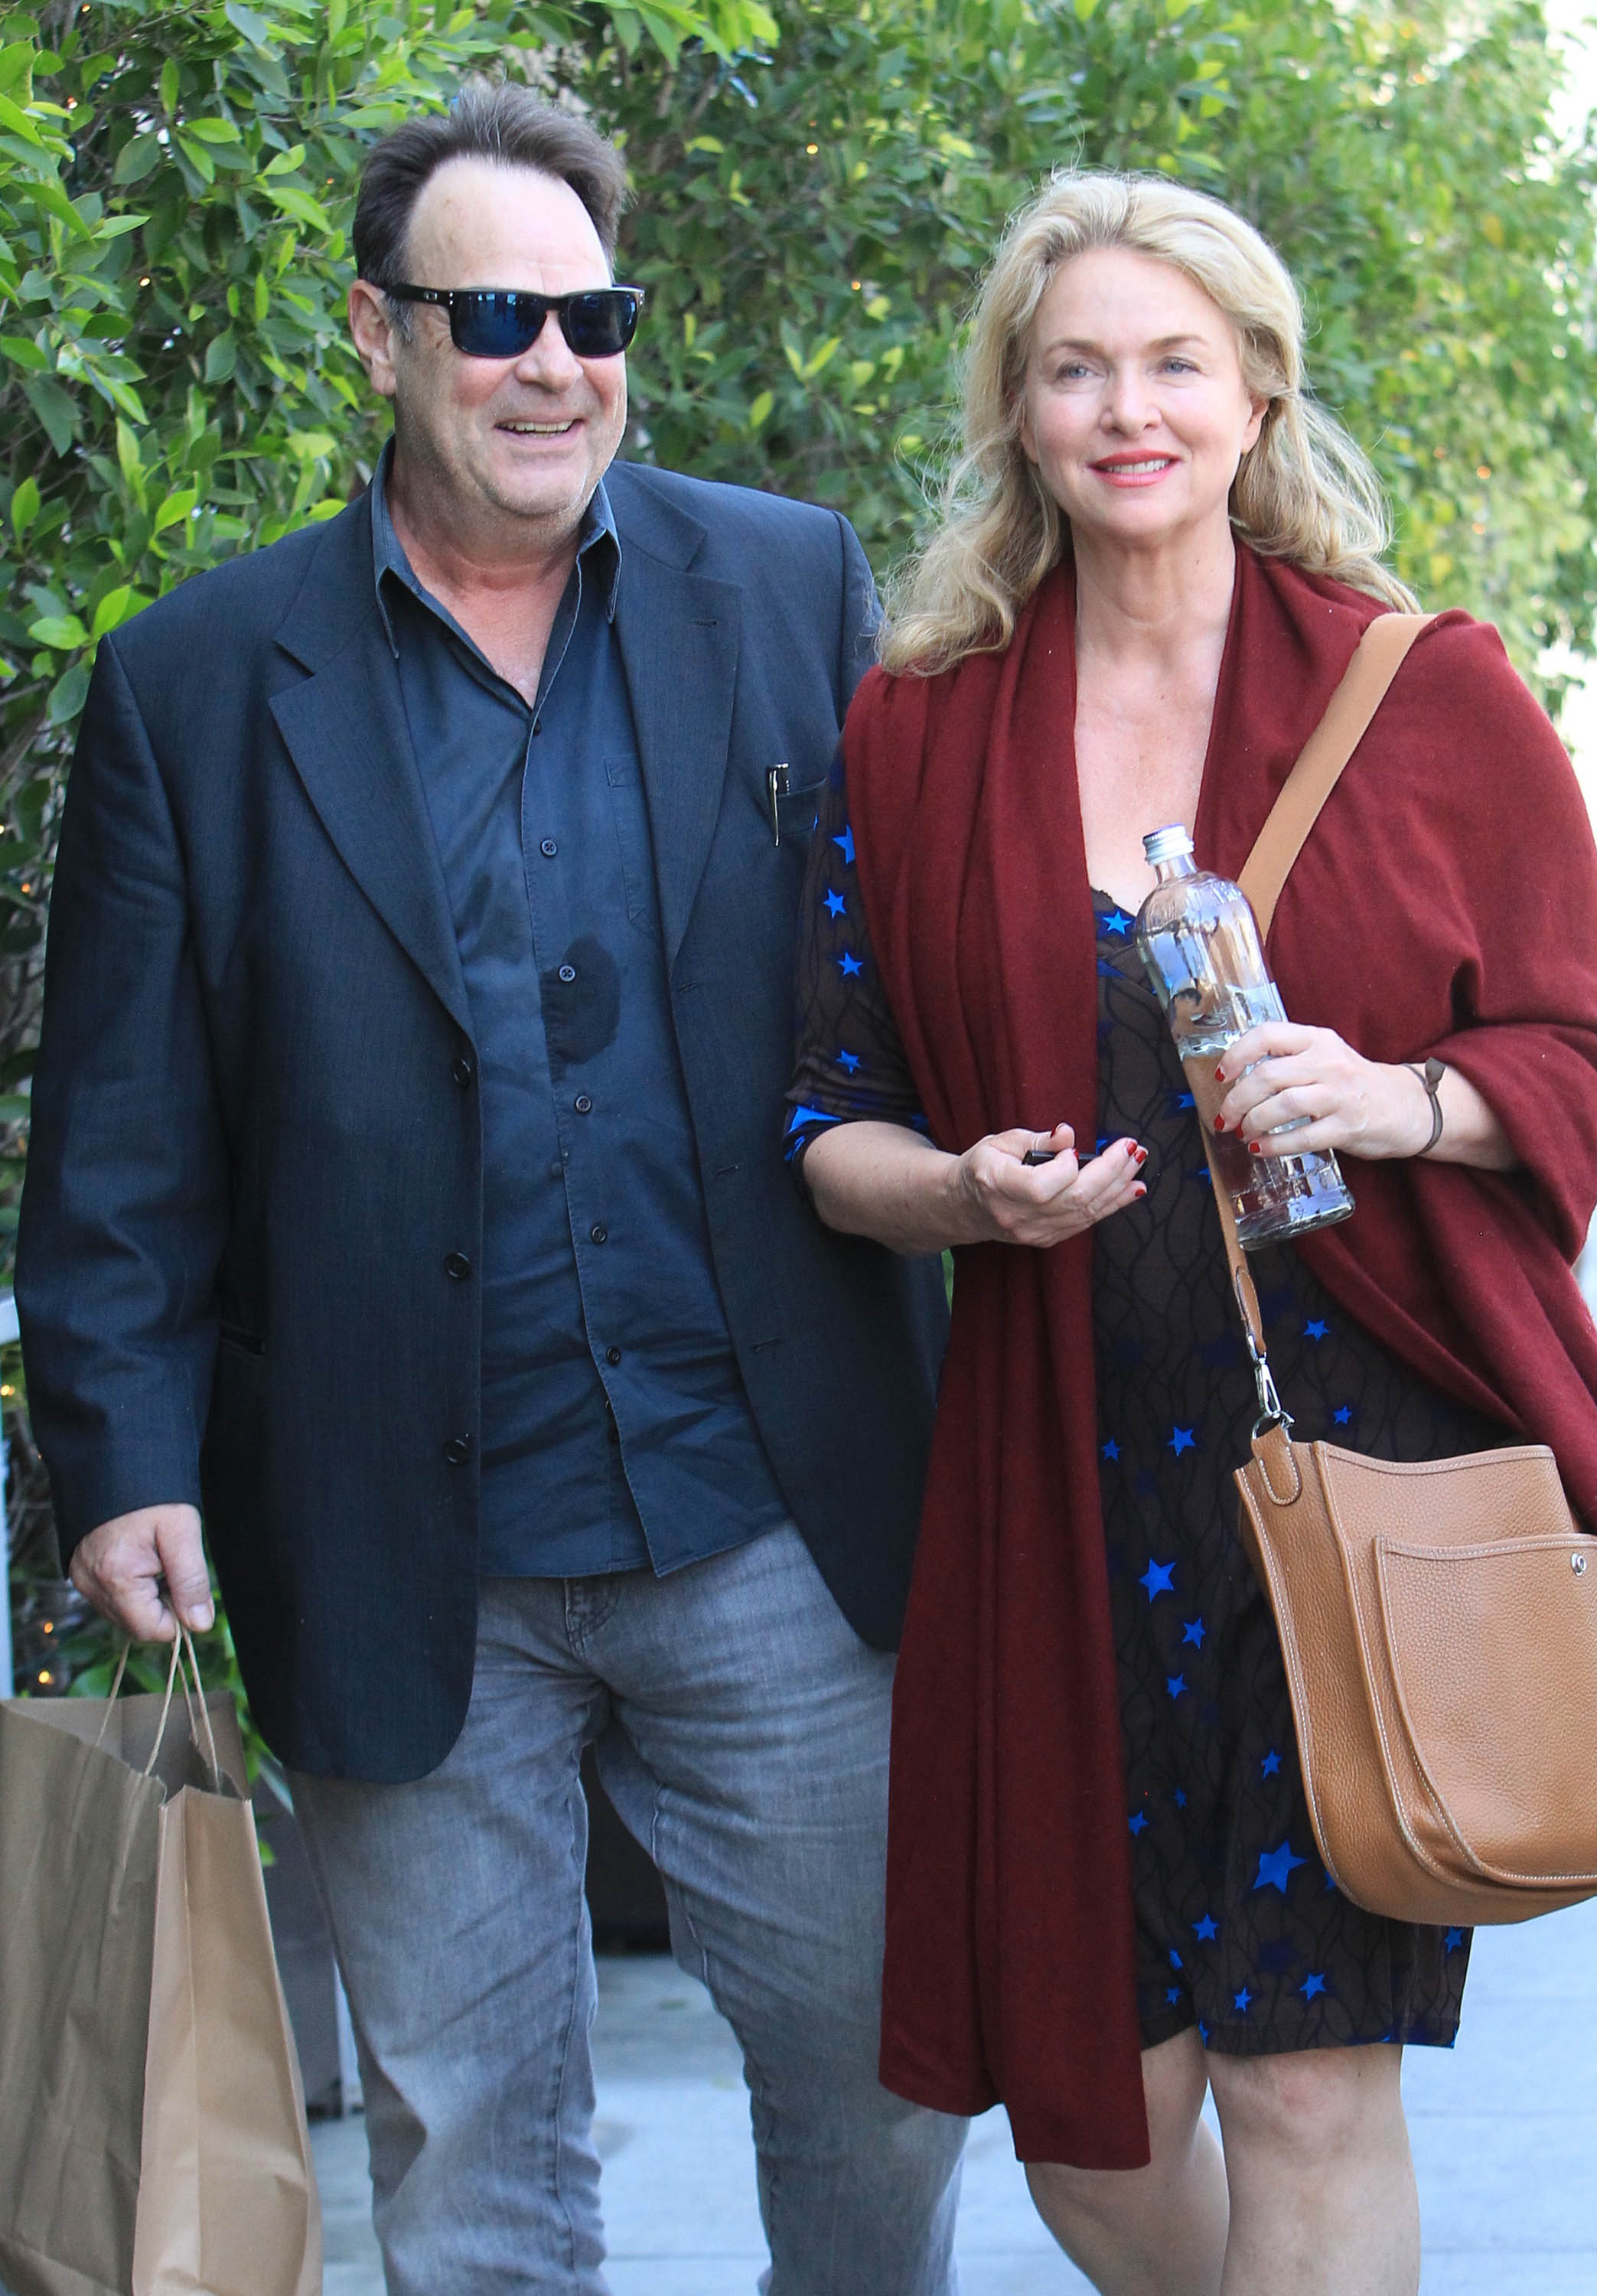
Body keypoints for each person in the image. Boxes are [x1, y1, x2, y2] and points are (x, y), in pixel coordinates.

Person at [17, 85, 965, 2296]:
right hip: (399, 1537)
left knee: (882, 2093)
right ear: (375, 333)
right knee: (474, 2174)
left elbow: (916, 969)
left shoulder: (784, 588)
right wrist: (121, 1458)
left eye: (591, 310)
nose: (553, 361)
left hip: (775, 1518)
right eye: (493, 314)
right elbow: (125, 1138)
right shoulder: (192, 684)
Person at [786, 171, 1597, 2296]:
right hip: (1050, 1482)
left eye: (1171, 362)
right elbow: (823, 1121)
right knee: (1087, 2130)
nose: (1125, 409)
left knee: (1302, 2081)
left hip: (1340, 1475)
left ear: (1258, 392)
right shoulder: (917, 729)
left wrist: (1399, 1099)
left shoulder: (1422, 692)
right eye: (1074, 365)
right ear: (1012, 407)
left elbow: (1578, 1041)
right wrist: (959, 1198)